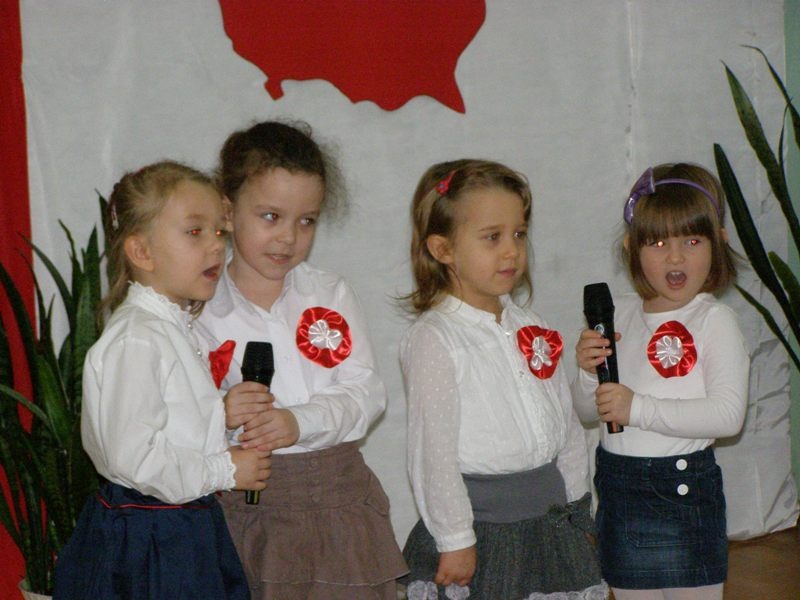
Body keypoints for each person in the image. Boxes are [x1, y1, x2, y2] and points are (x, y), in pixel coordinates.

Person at [196, 120, 407, 600]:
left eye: (306, 221)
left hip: (338, 499)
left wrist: (299, 422)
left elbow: (366, 393)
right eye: (271, 216)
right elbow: (181, 417)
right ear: (227, 211)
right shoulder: (200, 308)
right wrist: (221, 415)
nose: (288, 237)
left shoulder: (329, 293)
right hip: (246, 505)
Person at [53, 161, 271, 600]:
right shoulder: (138, 338)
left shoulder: (169, 326)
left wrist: (221, 415)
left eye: (219, 231)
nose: (216, 245)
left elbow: (170, 424)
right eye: (195, 231)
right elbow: (133, 457)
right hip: (152, 538)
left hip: (179, 525)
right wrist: (224, 468)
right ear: (142, 252)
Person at [400, 159, 606, 600]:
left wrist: (578, 508)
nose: (511, 250)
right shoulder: (436, 339)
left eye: (519, 234)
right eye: (492, 237)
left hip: (550, 524)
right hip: (485, 531)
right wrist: (455, 538)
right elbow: (432, 453)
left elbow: (566, 427)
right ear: (442, 249)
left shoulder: (532, 326)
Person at [573, 163, 749, 600]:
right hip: (619, 496)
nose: (675, 257)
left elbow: (728, 416)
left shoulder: (714, 320)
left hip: (685, 494)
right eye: (657, 243)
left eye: (692, 241)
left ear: (718, 243)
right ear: (631, 248)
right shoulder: (619, 314)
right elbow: (587, 412)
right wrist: (587, 373)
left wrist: (638, 408)